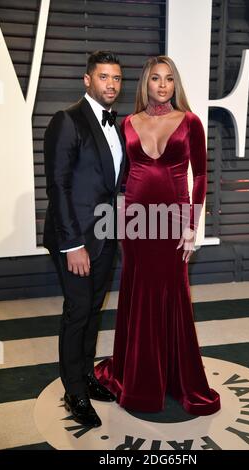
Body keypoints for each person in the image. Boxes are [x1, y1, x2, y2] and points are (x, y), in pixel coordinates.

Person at [95, 56, 221, 415]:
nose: (162, 85)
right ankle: (139, 378)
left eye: (168, 79)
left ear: (175, 84)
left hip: (174, 222)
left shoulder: (190, 122)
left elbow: (200, 177)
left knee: (173, 296)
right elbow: (121, 177)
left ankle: (176, 376)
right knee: (137, 295)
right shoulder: (128, 123)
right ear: (145, 84)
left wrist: (192, 226)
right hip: (135, 223)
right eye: (155, 79)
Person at [43, 51, 126, 427]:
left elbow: (111, 185)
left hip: (106, 234)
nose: (111, 84)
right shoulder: (67, 120)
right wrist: (72, 244)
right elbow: (57, 187)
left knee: (93, 310)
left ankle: (88, 376)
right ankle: (73, 389)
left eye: (117, 78)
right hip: (75, 238)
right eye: (104, 77)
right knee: (77, 313)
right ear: (87, 80)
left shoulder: (118, 125)